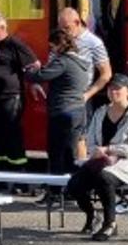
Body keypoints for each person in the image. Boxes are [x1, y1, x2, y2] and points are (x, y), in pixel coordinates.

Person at [66, 74, 128, 240]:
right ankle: (92, 215)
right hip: (101, 161)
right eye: (110, 88)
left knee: (104, 178)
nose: (113, 92)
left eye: (118, 88)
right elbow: (90, 140)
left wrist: (110, 149)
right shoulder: (101, 112)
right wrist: (96, 150)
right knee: (74, 184)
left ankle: (110, 223)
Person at [26, 28, 89, 180]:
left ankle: (55, 192)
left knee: (57, 155)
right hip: (79, 111)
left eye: (52, 47)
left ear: (60, 45)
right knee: (69, 155)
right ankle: (71, 191)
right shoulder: (81, 62)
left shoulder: (64, 62)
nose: (52, 51)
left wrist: (29, 71)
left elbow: (41, 75)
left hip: (63, 112)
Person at [0, 13, 35, 169]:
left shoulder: (14, 44)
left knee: (11, 137)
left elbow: (34, 64)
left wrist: (34, 83)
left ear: (3, 28)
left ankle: (20, 179)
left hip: (9, 99)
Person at [57, 6, 112, 110]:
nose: (63, 32)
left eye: (67, 28)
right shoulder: (61, 40)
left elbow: (106, 74)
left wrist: (87, 95)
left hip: (79, 100)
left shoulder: (94, 43)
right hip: (60, 99)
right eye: (61, 28)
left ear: (77, 23)